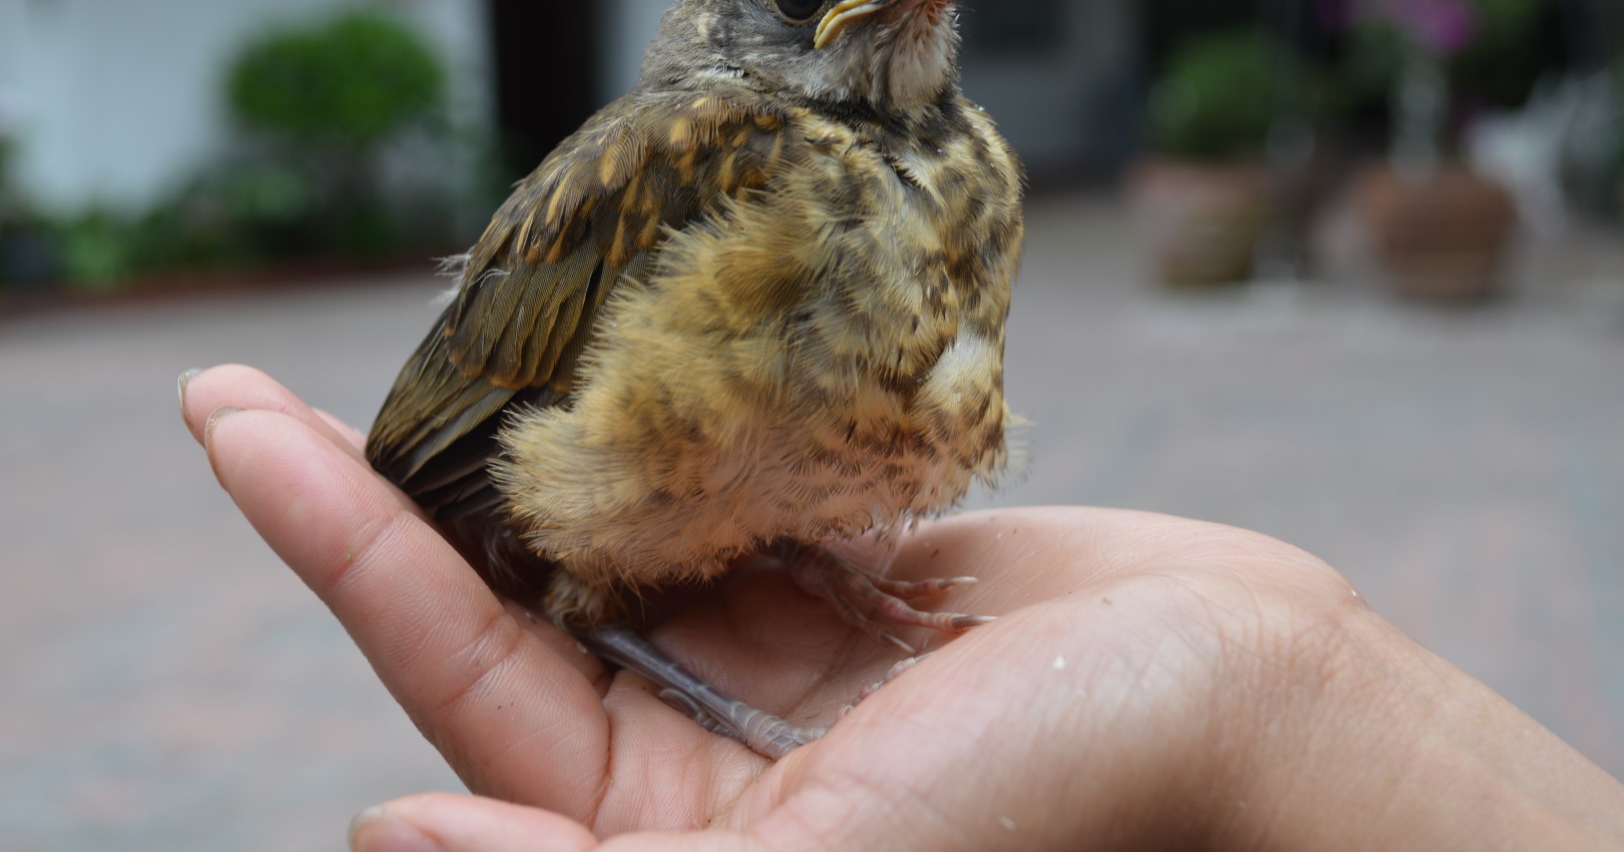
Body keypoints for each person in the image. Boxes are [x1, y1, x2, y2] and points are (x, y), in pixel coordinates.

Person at [179, 364, 1624, 851]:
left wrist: (1276, 688)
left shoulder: (950, 178)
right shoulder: (706, 166)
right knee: (574, 596)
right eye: (816, 0)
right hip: (555, 513)